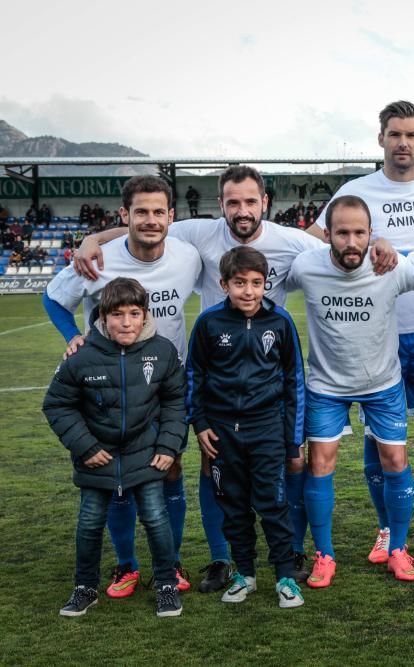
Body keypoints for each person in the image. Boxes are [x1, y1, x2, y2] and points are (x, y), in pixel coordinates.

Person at [73, 165, 396, 591]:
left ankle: (292, 552)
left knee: (291, 462)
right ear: (221, 205)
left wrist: (380, 240)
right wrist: (93, 238)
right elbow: (146, 226)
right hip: (220, 376)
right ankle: (222, 558)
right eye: (232, 202)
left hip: (267, 378)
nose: (241, 211)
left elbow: (342, 237)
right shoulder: (199, 232)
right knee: (214, 467)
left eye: (249, 201)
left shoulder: (290, 239)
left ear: (265, 202)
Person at [308, 101, 414, 563]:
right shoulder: (356, 189)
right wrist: (369, 244)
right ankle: (385, 530)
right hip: (373, 335)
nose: (402, 142)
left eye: (411, 135)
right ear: (381, 139)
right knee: (380, 438)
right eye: (394, 134)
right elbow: (319, 237)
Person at [44, 175, 201, 598]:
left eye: (157, 212)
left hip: (167, 380)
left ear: (172, 215)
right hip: (110, 386)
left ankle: (172, 563)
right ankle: (126, 565)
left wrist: (91, 234)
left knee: (169, 468)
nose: (150, 220)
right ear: (124, 215)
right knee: (110, 473)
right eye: (140, 212)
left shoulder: (188, 254)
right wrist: (70, 336)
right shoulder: (100, 258)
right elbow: (53, 298)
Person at [290, 195, 414, 584]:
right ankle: (324, 555)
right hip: (326, 385)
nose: (352, 241)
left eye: (360, 233)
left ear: (372, 234)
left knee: (395, 462)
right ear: (327, 234)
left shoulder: (390, 266)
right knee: (320, 464)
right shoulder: (306, 266)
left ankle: (397, 548)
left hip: (382, 383)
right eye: (342, 232)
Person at [43, 278, 186, 617]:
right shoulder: (81, 356)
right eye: (117, 314)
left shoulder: (162, 351)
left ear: (145, 315)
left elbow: (176, 402)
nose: (126, 322)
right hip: (96, 459)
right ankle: (85, 587)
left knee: (155, 518)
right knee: (90, 523)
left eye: (134, 313)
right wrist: (85, 447)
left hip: (146, 455)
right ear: (102, 317)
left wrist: (169, 444)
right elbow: (57, 405)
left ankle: (166, 583)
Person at [187, 246, 305, 607]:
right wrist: (201, 424)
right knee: (234, 506)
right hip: (222, 433)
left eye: (256, 282)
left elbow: (294, 381)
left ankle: (286, 575)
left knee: (274, 504)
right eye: (240, 283)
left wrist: (293, 439)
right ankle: (245, 574)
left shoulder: (280, 321)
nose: (249, 291)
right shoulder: (209, 323)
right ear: (224, 284)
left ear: (266, 283)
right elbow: (194, 376)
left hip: (267, 429)